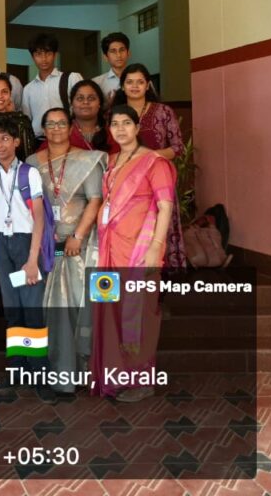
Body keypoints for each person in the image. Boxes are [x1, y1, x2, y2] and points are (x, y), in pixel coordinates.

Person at [91, 105, 175, 402]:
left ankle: (141, 380)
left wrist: (155, 247)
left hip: (139, 251)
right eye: (115, 124)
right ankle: (113, 376)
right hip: (109, 250)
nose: (121, 129)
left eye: (127, 123)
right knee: (109, 311)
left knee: (140, 314)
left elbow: (165, 206)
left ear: (138, 127)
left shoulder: (154, 162)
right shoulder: (112, 161)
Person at [27, 107, 105, 395]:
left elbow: (95, 200)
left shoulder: (88, 160)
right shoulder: (31, 163)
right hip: (49, 248)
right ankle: (60, 373)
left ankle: (87, 372)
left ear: (71, 128)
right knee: (53, 312)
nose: (56, 128)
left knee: (79, 307)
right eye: (51, 124)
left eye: (62, 123)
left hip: (78, 248)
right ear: (43, 129)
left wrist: (77, 235)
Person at [0, 116, 54, 402]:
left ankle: (40, 374)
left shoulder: (29, 174)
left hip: (25, 244)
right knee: (13, 311)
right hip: (2, 244)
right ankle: (17, 368)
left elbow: (38, 218)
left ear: (17, 142)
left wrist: (33, 260)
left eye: (5, 139)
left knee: (32, 311)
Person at [113, 63, 186, 270]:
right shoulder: (114, 114)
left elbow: (178, 148)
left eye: (140, 82)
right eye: (129, 82)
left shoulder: (163, 111)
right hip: (126, 186)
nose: (135, 86)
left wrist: (146, 159)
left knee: (161, 227)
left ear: (148, 85)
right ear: (122, 86)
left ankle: (163, 278)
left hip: (158, 182)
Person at [21, 33, 83, 137]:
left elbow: (82, 110)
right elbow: (27, 120)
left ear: (55, 55)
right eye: (38, 54)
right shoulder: (28, 89)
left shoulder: (72, 78)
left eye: (48, 53)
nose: (44, 58)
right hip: (38, 140)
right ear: (33, 57)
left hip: (66, 137)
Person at [38, 79, 119, 154]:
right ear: (72, 104)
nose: (86, 102)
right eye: (80, 98)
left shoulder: (113, 130)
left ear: (99, 104)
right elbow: (42, 157)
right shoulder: (61, 130)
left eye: (91, 98)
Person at [93, 32, 131, 106]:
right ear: (105, 57)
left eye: (122, 50)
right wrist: (107, 106)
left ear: (128, 53)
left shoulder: (141, 80)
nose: (118, 55)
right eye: (113, 51)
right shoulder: (97, 83)